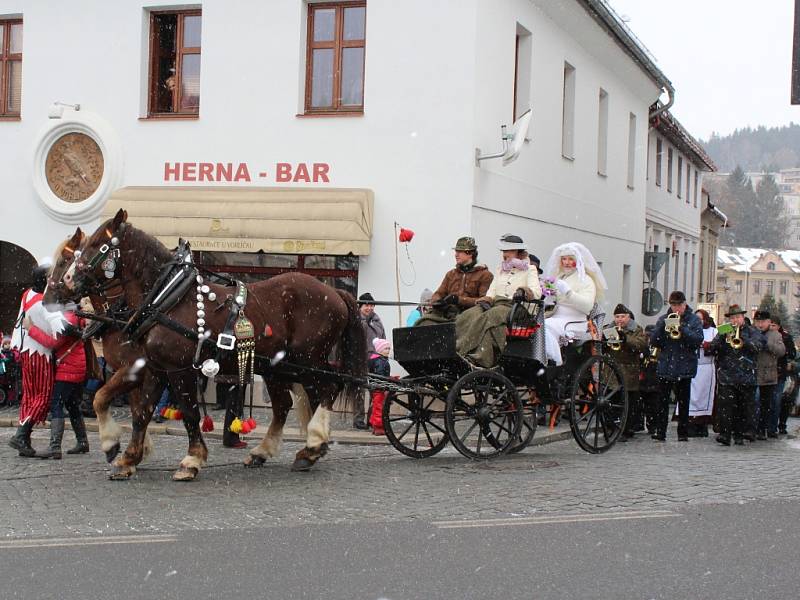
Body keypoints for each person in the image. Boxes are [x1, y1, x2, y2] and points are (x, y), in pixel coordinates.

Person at [455, 234, 541, 368]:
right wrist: (486, 300)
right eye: (504, 251)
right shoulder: (501, 269)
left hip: (517, 307)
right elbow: (492, 291)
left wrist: (523, 291)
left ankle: (461, 350)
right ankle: (460, 348)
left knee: (490, 316)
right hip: (498, 305)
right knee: (469, 314)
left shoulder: (530, 269)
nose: (505, 254)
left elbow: (536, 292)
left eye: (508, 251)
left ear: (518, 252)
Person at [7, 261, 63, 457]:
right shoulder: (45, 305)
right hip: (40, 353)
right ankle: (22, 434)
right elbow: (53, 340)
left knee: (29, 396)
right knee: (44, 396)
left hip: (25, 352)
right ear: (46, 280)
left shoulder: (27, 294)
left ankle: (24, 439)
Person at [24, 307, 89, 459]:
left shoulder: (67, 319)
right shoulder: (75, 315)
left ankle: (54, 447)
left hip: (68, 368)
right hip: (76, 366)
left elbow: (51, 342)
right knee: (72, 404)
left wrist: (31, 329)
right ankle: (83, 442)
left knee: (56, 404)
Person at [706, 304, 765, 445]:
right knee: (726, 407)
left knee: (744, 407)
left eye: (738, 317)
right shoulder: (724, 330)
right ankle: (725, 435)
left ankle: (740, 435)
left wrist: (743, 341)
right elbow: (712, 349)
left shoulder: (752, 331)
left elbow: (758, 347)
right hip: (727, 375)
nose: (735, 320)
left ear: (743, 318)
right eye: (732, 317)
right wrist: (722, 338)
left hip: (746, 374)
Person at [649, 291, 704, 442]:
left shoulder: (693, 320)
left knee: (683, 402)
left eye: (679, 305)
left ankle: (683, 433)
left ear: (685, 304)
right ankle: (660, 432)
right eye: (673, 305)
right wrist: (662, 327)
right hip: (666, 365)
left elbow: (698, 339)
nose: (676, 308)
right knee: (662, 402)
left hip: (685, 365)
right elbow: (654, 341)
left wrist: (682, 329)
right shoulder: (663, 319)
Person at [543, 242, 607, 366]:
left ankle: (555, 360)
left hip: (575, 320)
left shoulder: (585, 280)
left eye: (570, 259)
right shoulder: (560, 277)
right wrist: (548, 293)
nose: (566, 262)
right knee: (537, 326)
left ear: (577, 261)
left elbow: (587, 306)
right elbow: (554, 300)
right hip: (557, 316)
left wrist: (569, 293)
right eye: (564, 259)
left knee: (546, 327)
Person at [415, 237, 493, 326]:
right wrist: (438, 302)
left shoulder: (485, 275)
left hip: (469, 317)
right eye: (456, 252)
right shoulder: (451, 274)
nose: (456, 255)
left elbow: (484, 302)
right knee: (424, 323)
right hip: (447, 314)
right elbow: (438, 293)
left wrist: (458, 300)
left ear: (470, 253)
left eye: (459, 252)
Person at [602, 305, 647, 441]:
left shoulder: (637, 329)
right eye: (617, 317)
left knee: (627, 402)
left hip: (629, 370)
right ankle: (612, 428)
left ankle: (626, 428)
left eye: (622, 317)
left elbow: (641, 345)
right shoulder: (608, 328)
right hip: (611, 371)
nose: (619, 319)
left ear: (628, 317)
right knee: (611, 402)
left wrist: (625, 339)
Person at [354, 293, 386, 430]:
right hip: (360, 359)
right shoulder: (355, 320)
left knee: (376, 390)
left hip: (376, 359)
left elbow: (382, 337)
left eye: (372, 305)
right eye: (366, 305)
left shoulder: (377, 321)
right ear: (360, 306)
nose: (369, 308)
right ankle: (358, 419)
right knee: (359, 390)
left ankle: (372, 418)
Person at [753, 310, 785, 440]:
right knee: (753, 403)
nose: (760, 325)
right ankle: (751, 428)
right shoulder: (752, 332)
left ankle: (762, 429)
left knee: (765, 405)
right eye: (758, 322)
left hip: (768, 375)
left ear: (768, 322)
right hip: (753, 372)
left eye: (763, 322)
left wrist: (767, 343)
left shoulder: (775, 335)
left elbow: (781, 351)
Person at [686, 308, 718, 437]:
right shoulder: (689, 330)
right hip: (692, 366)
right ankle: (690, 424)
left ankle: (702, 424)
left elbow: (718, 345)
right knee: (691, 396)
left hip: (706, 367)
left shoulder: (713, 331)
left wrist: (707, 346)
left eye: (700, 319)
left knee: (704, 397)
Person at [772, 318, 797, 435]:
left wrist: (789, 360)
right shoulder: (764, 335)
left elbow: (792, 354)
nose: (772, 327)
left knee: (779, 401)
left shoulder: (786, 337)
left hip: (781, 373)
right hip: (766, 372)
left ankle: (777, 425)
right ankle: (767, 426)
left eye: (774, 325)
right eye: (770, 324)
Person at [367, 338, 391, 436]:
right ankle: (379, 427)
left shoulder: (377, 359)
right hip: (379, 388)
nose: (388, 351)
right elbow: (380, 375)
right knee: (379, 407)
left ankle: (374, 425)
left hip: (376, 387)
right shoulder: (380, 361)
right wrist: (385, 383)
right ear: (379, 350)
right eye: (386, 349)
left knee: (376, 406)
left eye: (389, 348)